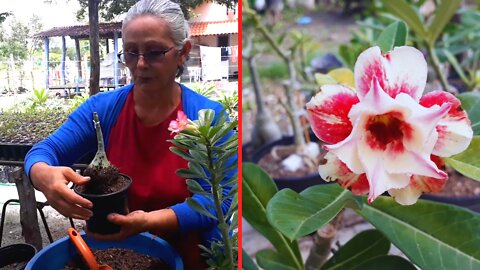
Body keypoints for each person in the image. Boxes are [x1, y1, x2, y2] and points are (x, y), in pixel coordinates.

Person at [24, 0, 236, 269]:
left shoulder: (207, 118)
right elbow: (44, 151)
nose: (140, 64)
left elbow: (221, 198)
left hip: (196, 256)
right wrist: (42, 174)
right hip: (128, 254)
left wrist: (147, 221)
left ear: (183, 52)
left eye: (155, 52)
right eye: (131, 53)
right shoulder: (103, 110)